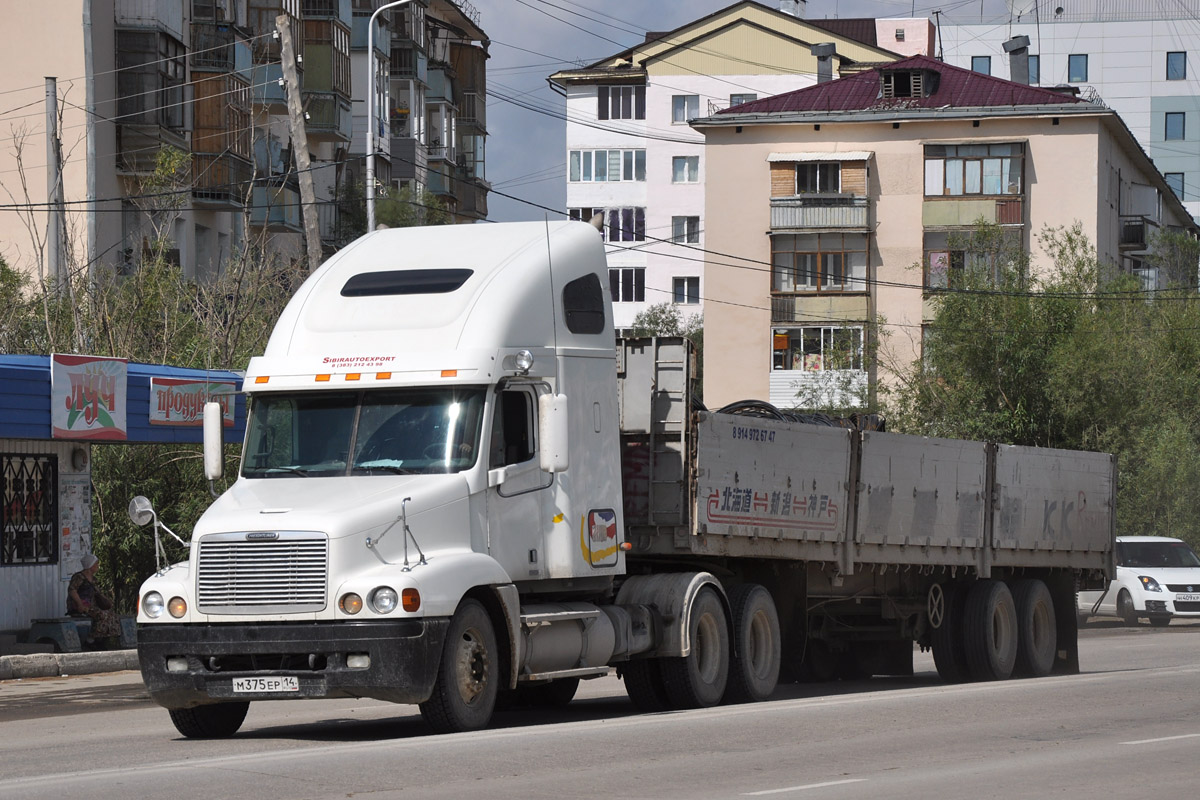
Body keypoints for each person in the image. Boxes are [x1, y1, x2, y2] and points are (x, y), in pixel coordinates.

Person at [68, 553, 120, 647]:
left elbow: (98, 593)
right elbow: (72, 590)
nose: (97, 566)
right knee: (103, 615)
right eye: (96, 564)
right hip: (81, 607)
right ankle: (91, 639)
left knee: (112, 615)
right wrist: (80, 604)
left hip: (92, 606)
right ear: (90, 566)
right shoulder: (79, 577)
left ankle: (103, 639)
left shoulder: (94, 579)